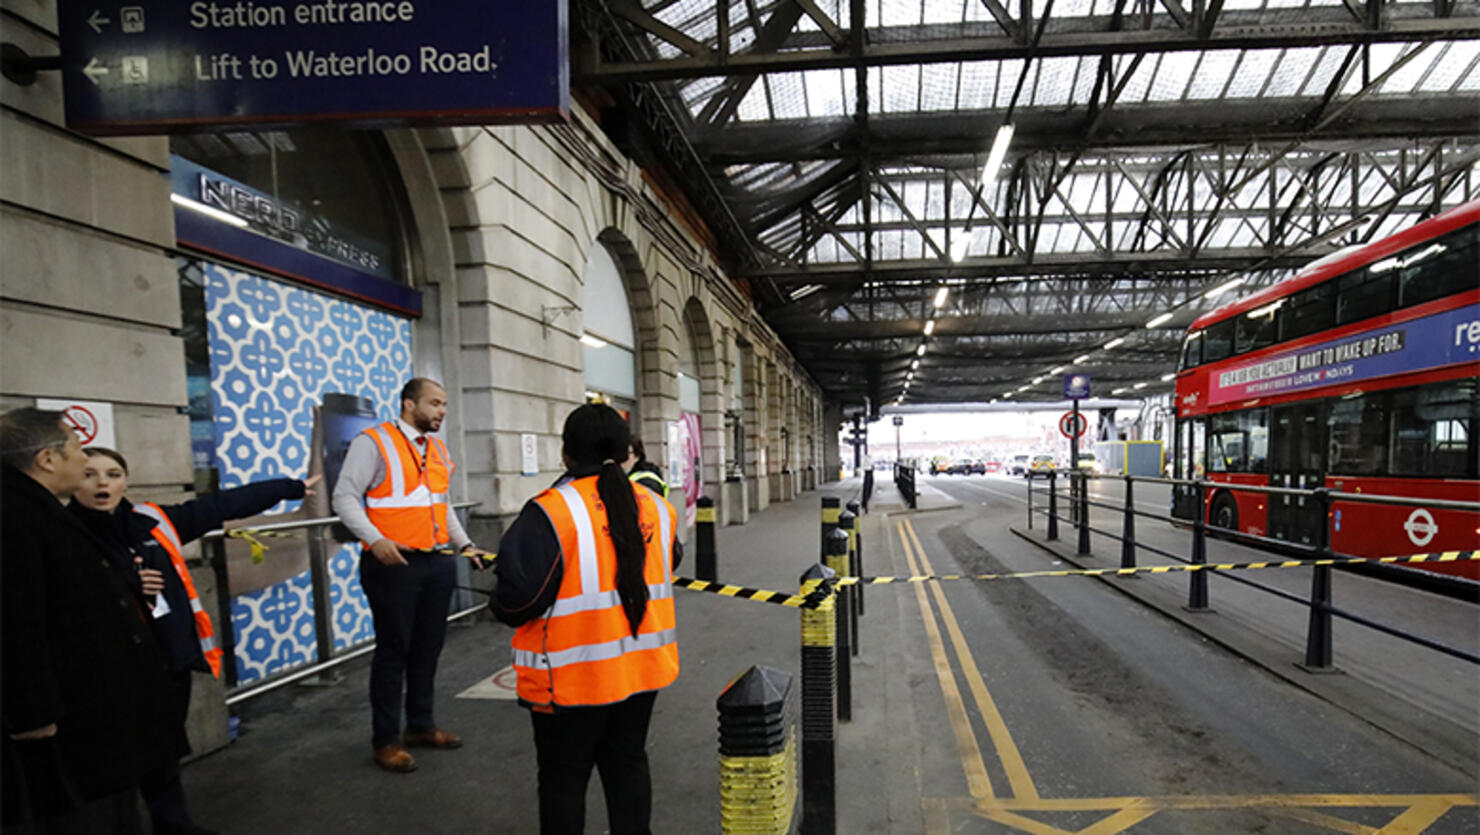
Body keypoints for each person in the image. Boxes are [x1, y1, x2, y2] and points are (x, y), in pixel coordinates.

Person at [66, 447, 319, 835]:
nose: (103, 482)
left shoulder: (151, 521)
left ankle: (173, 824)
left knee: (164, 747)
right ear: (70, 481)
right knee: (112, 763)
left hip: (165, 659)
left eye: (113, 474)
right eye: (90, 474)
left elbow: (223, 504)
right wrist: (122, 582)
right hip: (106, 667)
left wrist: (290, 487)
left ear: (125, 481)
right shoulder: (61, 533)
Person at [490, 404, 681, 835]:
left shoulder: (551, 510)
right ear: (624, 450)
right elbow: (668, 561)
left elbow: (519, 600)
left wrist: (498, 602)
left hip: (570, 680)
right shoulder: (656, 507)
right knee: (628, 764)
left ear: (566, 455)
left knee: (563, 778)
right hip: (641, 669)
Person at [1, 408, 171, 833]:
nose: (85, 461)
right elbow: (15, 620)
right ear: (47, 459)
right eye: (77, 449)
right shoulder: (16, 518)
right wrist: (32, 712)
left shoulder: (38, 509)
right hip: (70, 723)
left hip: (91, 710)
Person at [331, 377, 483, 773]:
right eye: (434, 403)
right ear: (408, 404)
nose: (442, 411)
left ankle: (420, 725)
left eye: (445, 404)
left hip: (436, 561)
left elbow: (441, 504)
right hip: (393, 564)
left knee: (428, 648)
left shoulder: (436, 449)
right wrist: (375, 539)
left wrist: (465, 545)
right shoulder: (374, 442)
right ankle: (385, 740)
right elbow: (344, 497)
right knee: (393, 652)